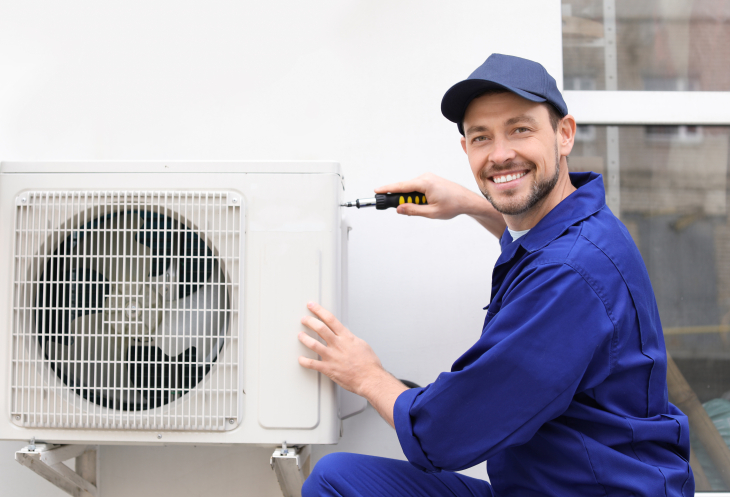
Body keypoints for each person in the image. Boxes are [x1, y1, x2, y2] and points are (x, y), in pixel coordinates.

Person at [297, 54, 695, 496]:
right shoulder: (583, 225)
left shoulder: (569, 276)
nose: (500, 153)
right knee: (337, 479)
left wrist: (366, 375)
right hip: (545, 485)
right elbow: (538, 240)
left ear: (564, 134)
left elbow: (445, 435)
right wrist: (469, 202)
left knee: (335, 486)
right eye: (481, 137)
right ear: (466, 150)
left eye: (520, 129)